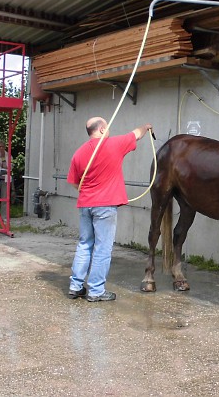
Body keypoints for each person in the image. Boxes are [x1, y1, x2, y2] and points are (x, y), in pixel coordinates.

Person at [67, 117, 153, 302]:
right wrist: (145, 126)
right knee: (102, 248)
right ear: (101, 129)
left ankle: (75, 287)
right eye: (107, 127)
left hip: (85, 204)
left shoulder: (79, 153)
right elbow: (136, 134)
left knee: (84, 244)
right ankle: (96, 291)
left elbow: (75, 182)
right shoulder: (113, 144)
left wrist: (88, 191)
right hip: (105, 206)